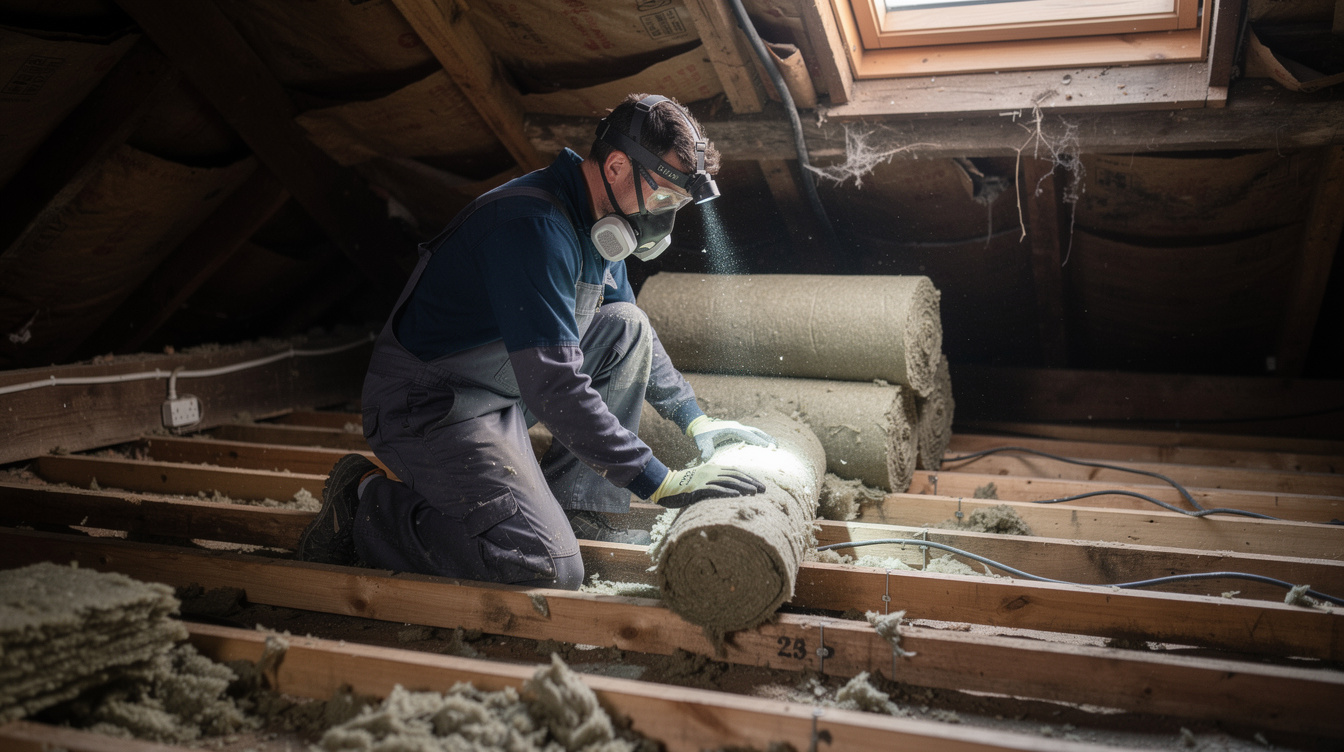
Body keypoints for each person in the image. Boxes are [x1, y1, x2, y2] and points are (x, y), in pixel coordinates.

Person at [296, 93, 775, 590]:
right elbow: (554, 384)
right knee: (544, 565)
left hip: (502, 388)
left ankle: (579, 507)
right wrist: (657, 480)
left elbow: (633, 333)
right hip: (432, 406)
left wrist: (693, 418)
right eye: (663, 199)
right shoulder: (534, 227)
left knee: (627, 325)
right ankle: (363, 503)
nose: (664, 217)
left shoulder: (597, 221)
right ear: (616, 166)